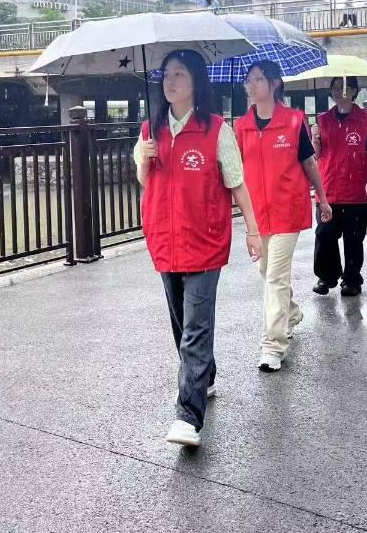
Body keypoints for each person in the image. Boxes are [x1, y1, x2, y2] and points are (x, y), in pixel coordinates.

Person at [134, 49, 262, 449]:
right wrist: (142, 158)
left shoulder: (216, 129)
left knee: (195, 327)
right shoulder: (151, 129)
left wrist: (253, 231)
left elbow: (236, 182)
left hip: (204, 239)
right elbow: (146, 181)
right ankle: (203, 375)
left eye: (179, 74)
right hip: (164, 238)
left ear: (196, 82)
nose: (170, 82)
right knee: (180, 321)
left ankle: (187, 416)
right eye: (166, 75)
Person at [235, 60, 332, 373]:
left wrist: (322, 198)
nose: (252, 86)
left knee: (275, 276)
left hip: (288, 209)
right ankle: (291, 312)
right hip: (258, 214)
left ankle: (273, 345)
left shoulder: (293, 121)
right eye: (249, 80)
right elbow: (234, 172)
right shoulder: (241, 126)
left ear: (274, 83)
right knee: (266, 272)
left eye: (259, 79)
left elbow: (309, 163)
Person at [310, 77, 367, 297]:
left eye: (342, 88)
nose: (337, 92)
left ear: (354, 92)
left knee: (353, 239)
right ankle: (326, 276)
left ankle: (352, 279)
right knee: (325, 234)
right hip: (328, 189)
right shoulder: (323, 120)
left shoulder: (366, 119)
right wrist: (315, 140)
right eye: (333, 88)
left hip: (355, 191)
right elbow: (316, 156)